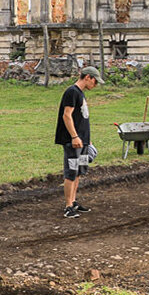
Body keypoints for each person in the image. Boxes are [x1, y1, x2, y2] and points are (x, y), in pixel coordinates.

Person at [55, 66, 103, 219]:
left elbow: (81, 118)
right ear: (88, 77)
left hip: (82, 142)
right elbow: (66, 116)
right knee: (71, 171)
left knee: (79, 171)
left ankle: (74, 201)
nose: (95, 85)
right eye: (95, 81)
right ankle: (68, 206)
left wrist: (86, 139)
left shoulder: (80, 93)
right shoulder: (72, 92)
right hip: (73, 141)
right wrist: (75, 137)